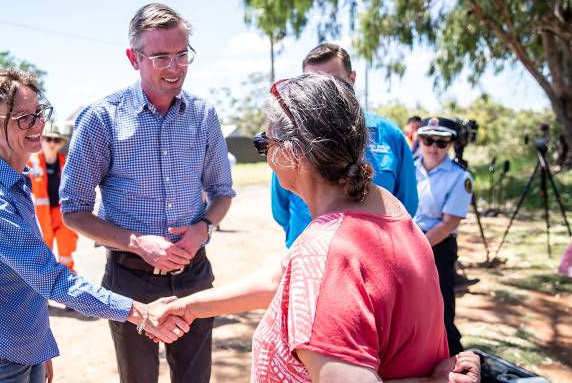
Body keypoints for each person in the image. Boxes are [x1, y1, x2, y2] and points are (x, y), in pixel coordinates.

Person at [153, 74, 480, 383]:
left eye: (264, 143)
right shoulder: (386, 210)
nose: (265, 154)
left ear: (292, 153)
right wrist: (189, 306)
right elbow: (279, 280)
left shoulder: (324, 253)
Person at [0, 69, 190, 383]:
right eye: (22, 118)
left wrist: (40, 348)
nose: (37, 126)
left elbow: (25, 283)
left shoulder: (12, 183)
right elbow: (51, 279)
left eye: (38, 113)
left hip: (20, 351)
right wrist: (140, 313)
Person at [60, 3, 235, 383]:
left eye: (182, 55)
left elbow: (222, 192)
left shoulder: (203, 115)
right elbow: (73, 210)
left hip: (195, 275)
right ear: (133, 58)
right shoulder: (101, 118)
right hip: (130, 282)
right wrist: (138, 242)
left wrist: (203, 227)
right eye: (160, 57)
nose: (175, 68)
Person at [271, 43, 418, 248]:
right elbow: (281, 209)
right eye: (314, 82)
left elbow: (407, 205)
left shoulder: (390, 135)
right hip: (306, 257)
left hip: (373, 260)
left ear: (352, 78)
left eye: (334, 81)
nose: (326, 93)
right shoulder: (290, 138)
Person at [413, 117, 474, 356]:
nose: (434, 147)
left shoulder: (461, 177)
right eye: (428, 140)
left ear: (450, 144)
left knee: (441, 311)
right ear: (420, 140)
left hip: (438, 247)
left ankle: (454, 360)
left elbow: (448, 224)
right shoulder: (408, 167)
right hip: (408, 242)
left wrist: (416, 246)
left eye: (441, 142)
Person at [28, 121, 78, 273]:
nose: (52, 143)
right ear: (41, 140)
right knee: (43, 253)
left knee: (66, 252)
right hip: (42, 216)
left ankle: (68, 284)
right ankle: (44, 285)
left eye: (56, 140)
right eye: (48, 139)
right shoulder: (31, 163)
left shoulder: (67, 163)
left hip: (63, 215)